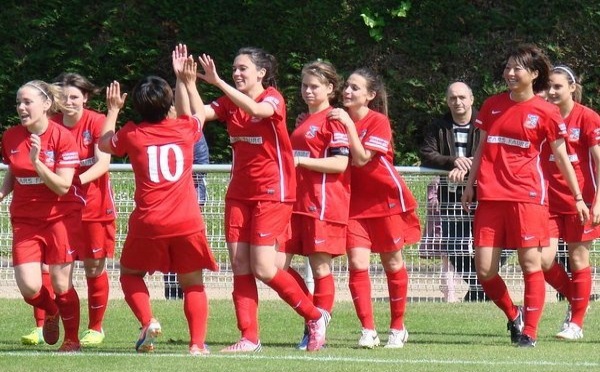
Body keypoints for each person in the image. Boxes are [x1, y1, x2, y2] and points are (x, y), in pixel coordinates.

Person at [197, 47, 330, 352]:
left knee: (264, 267)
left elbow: (259, 112)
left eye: (243, 68)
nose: (236, 73)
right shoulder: (230, 101)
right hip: (239, 193)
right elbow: (198, 114)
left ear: (261, 73)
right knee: (240, 264)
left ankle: (314, 316)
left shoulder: (272, 97)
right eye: (233, 68)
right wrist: (187, 82)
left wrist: (218, 83)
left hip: (273, 192)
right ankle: (249, 337)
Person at [461, 44, 589, 348]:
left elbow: (561, 156)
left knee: (531, 263)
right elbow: (480, 147)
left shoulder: (546, 111)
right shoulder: (492, 105)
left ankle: (530, 332)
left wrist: (578, 197)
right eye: (507, 67)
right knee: (484, 270)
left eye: (517, 67)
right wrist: (470, 183)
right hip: (491, 196)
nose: (510, 72)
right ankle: (513, 314)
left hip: (527, 196)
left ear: (533, 74)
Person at [97, 49, 218, 355]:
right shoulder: (184, 129)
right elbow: (199, 114)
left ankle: (148, 320)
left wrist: (112, 109)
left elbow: (103, 144)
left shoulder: (133, 134)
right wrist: (186, 81)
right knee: (193, 283)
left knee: (130, 274)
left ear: (136, 106)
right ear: (168, 105)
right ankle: (197, 345)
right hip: (187, 219)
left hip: (150, 221)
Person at [327, 68, 421, 349]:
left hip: (385, 202)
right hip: (353, 205)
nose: (347, 91)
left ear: (370, 95)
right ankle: (368, 329)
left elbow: (362, 158)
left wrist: (348, 124)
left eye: (355, 88)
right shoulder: (337, 120)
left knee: (392, 263)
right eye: (347, 86)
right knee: (357, 265)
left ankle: (397, 327)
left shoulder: (378, 121)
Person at [2, 80, 84, 352]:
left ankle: (72, 340)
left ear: (46, 104)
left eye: (27, 102)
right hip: (25, 220)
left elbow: (62, 185)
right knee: (29, 288)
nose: (21, 108)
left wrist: (37, 162)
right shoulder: (11, 136)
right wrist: (2, 192)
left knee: (62, 284)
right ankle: (51, 311)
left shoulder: (63, 137)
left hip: (60, 217)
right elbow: (14, 169)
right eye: (18, 103)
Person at [278, 60, 350, 350]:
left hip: (322, 203)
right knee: (274, 265)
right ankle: (313, 317)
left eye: (314, 86)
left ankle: (317, 328)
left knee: (320, 268)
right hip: (295, 202)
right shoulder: (304, 120)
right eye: (304, 86)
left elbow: (340, 163)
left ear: (330, 89)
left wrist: (300, 161)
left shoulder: (334, 118)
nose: (307, 91)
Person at [420, 81, 506, 302]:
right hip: (451, 195)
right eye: (452, 98)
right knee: (453, 244)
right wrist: (454, 162)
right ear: (447, 101)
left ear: (471, 99)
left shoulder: (488, 123)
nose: (457, 102)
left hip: (485, 193)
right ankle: (482, 287)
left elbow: (498, 152)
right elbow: (427, 154)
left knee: (500, 244)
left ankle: (479, 289)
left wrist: (472, 165)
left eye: (461, 97)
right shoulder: (438, 126)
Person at [51, 73, 115, 346]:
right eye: (64, 97)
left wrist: (73, 181)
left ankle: (96, 328)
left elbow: (103, 163)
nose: (69, 102)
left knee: (93, 268)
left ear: (86, 98)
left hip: (94, 208)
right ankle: (45, 322)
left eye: (75, 97)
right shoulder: (50, 125)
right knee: (56, 270)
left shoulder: (97, 122)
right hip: (59, 210)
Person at [540, 65, 600, 340]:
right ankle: (578, 299)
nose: (551, 91)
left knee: (578, 258)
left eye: (558, 86)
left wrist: (597, 201)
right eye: (549, 86)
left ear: (572, 88)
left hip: (582, 202)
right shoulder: (543, 116)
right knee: (542, 260)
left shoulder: (587, 118)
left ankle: (575, 323)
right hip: (548, 202)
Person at [164, 135, 210, 300]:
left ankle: (191, 290)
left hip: (190, 198)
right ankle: (172, 292)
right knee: (168, 245)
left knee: (188, 248)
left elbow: (202, 164)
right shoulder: (160, 129)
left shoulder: (192, 130)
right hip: (166, 198)